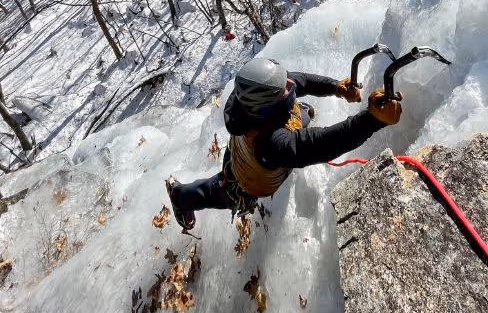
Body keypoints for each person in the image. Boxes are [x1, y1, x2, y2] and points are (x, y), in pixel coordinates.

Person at [165, 57, 402, 230]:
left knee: (301, 112)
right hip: (246, 178)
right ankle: (179, 196)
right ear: (267, 106)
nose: (290, 86)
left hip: (241, 149)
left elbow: (300, 81)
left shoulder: (249, 96)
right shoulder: (272, 143)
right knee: (211, 192)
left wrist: (335, 88)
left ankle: (301, 115)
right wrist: (372, 121)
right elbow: (319, 144)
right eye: (283, 90)